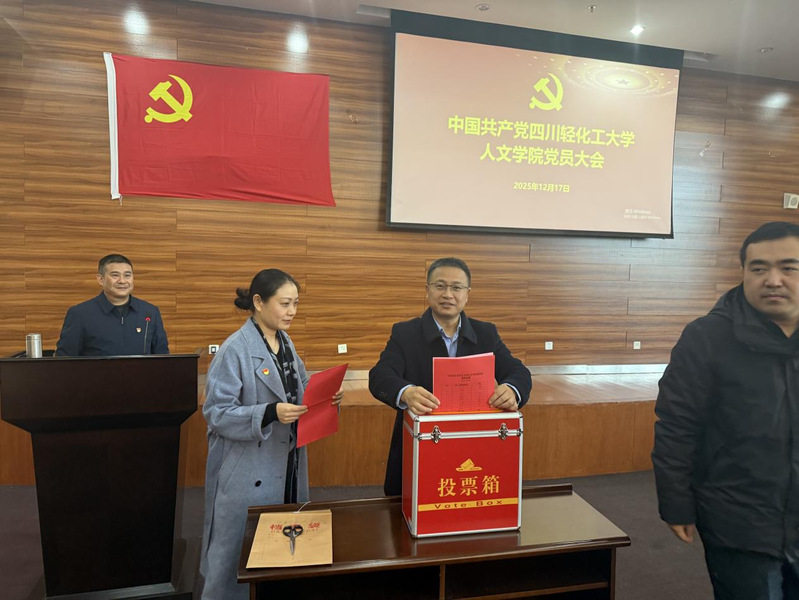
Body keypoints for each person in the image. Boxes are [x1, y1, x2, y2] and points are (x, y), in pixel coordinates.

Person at [653, 221, 799, 600]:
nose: (773, 280)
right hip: (738, 522)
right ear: (743, 272)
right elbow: (676, 426)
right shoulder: (707, 337)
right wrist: (676, 504)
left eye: (789, 267)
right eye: (759, 268)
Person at [200, 269, 343, 600]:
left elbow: (300, 387)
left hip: (286, 460)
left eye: (296, 303)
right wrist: (268, 412)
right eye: (284, 303)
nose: (292, 311)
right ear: (258, 302)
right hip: (248, 466)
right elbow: (216, 413)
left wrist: (325, 395)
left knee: (282, 538)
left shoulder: (285, 342)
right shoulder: (235, 349)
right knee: (237, 549)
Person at [369, 257, 532, 496]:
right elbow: (380, 376)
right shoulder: (405, 333)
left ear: (467, 294)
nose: (448, 294)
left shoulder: (486, 333)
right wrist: (406, 392)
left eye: (456, 287)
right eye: (440, 286)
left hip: (473, 442)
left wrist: (512, 389)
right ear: (427, 290)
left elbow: (519, 372)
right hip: (420, 445)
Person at [55, 253, 168, 356]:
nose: (122, 281)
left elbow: (163, 358)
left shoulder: (149, 312)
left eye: (127, 275)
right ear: (101, 279)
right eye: (115, 275)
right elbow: (65, 360)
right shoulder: (80, 314)